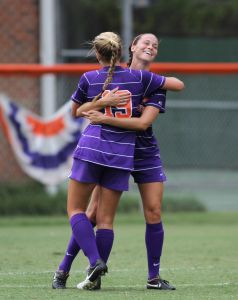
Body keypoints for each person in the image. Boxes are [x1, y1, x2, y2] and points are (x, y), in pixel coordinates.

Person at [52, 32, 184, 290]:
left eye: (156, 44)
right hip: (117, 149)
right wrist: (102, 104)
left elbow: (144, 123)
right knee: (92, 213)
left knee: (153, 211)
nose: (151, 46)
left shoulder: (153, 82)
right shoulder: (122, 76)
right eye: (146, 42)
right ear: (131, 47)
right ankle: (64, 270)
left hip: (141, 151)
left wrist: (102, 114)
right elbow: (83, 110)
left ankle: (153, 278)